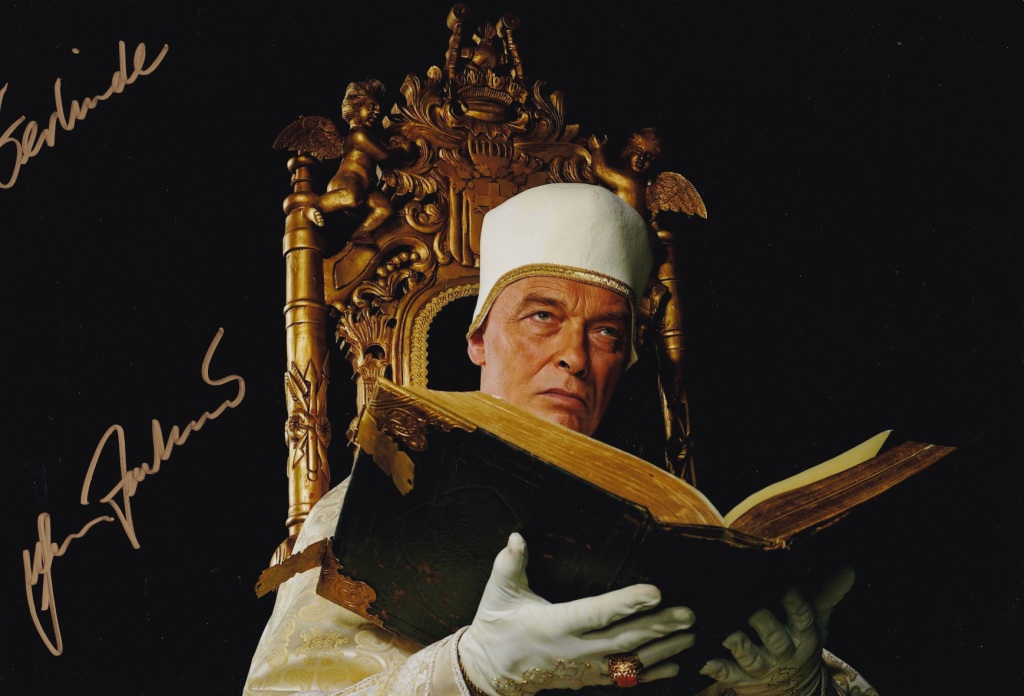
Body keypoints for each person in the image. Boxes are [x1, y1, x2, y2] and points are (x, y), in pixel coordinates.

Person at [244, 184, 875, 695]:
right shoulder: (371, 507)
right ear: (478, 340)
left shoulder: (666, 532)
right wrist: (469, 672)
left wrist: (796, 686)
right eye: (543, 316)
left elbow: (653, 674)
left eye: (606, 333)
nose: (574, 356)